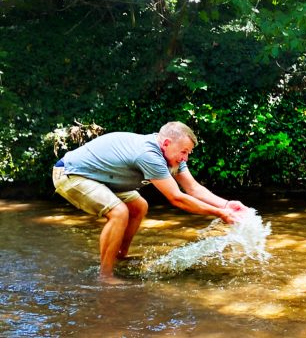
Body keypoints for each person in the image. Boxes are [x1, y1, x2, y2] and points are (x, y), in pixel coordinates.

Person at [52, 121, 248, 282]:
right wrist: (219, 214)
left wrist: (225, 204)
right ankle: (105, 276)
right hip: (72, 174)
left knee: (139, 206)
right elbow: (176, 198)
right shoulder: (150, 155)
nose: (185, 157)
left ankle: (120, 257)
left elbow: (193, 188)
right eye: (183, 152)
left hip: (101, 177)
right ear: (166, 144)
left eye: (188, 153)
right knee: (119, 212)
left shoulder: (173, 156)